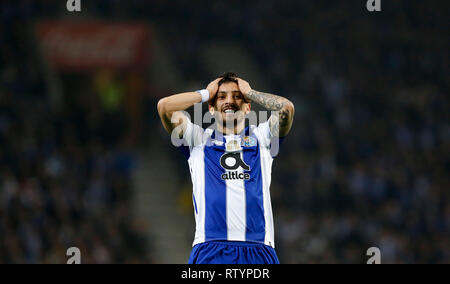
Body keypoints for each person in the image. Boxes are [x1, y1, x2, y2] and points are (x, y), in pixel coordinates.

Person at [157, 72, 294, 264]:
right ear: (211, 109)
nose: (229, 101)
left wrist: (250, 92)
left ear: (247, 107)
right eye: (221, 97)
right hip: (210, 249)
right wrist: (205, 93)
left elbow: (286, 109)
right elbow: (164, 107)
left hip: (258, 249)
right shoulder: (197, 140)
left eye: (237, 96)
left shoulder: (262, 138)